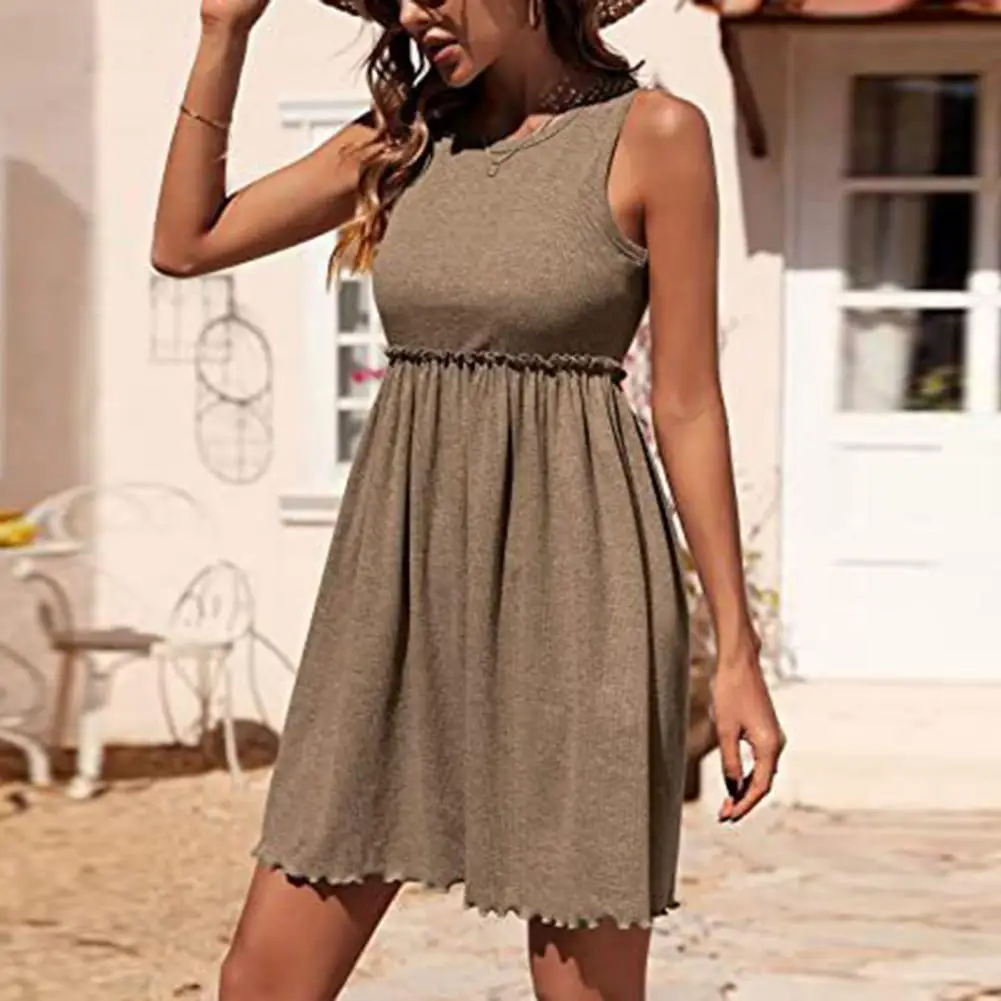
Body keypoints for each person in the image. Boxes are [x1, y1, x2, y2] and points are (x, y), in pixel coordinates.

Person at [152, 0, 786, 996]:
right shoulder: (400, 141)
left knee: (581, 986)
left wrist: (736, 656)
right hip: (395, 589)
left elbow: (687, 403)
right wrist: (222, 36)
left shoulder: (655, 136)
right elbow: (186, 243)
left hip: (582, 584)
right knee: (263, 979)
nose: (413, 11)